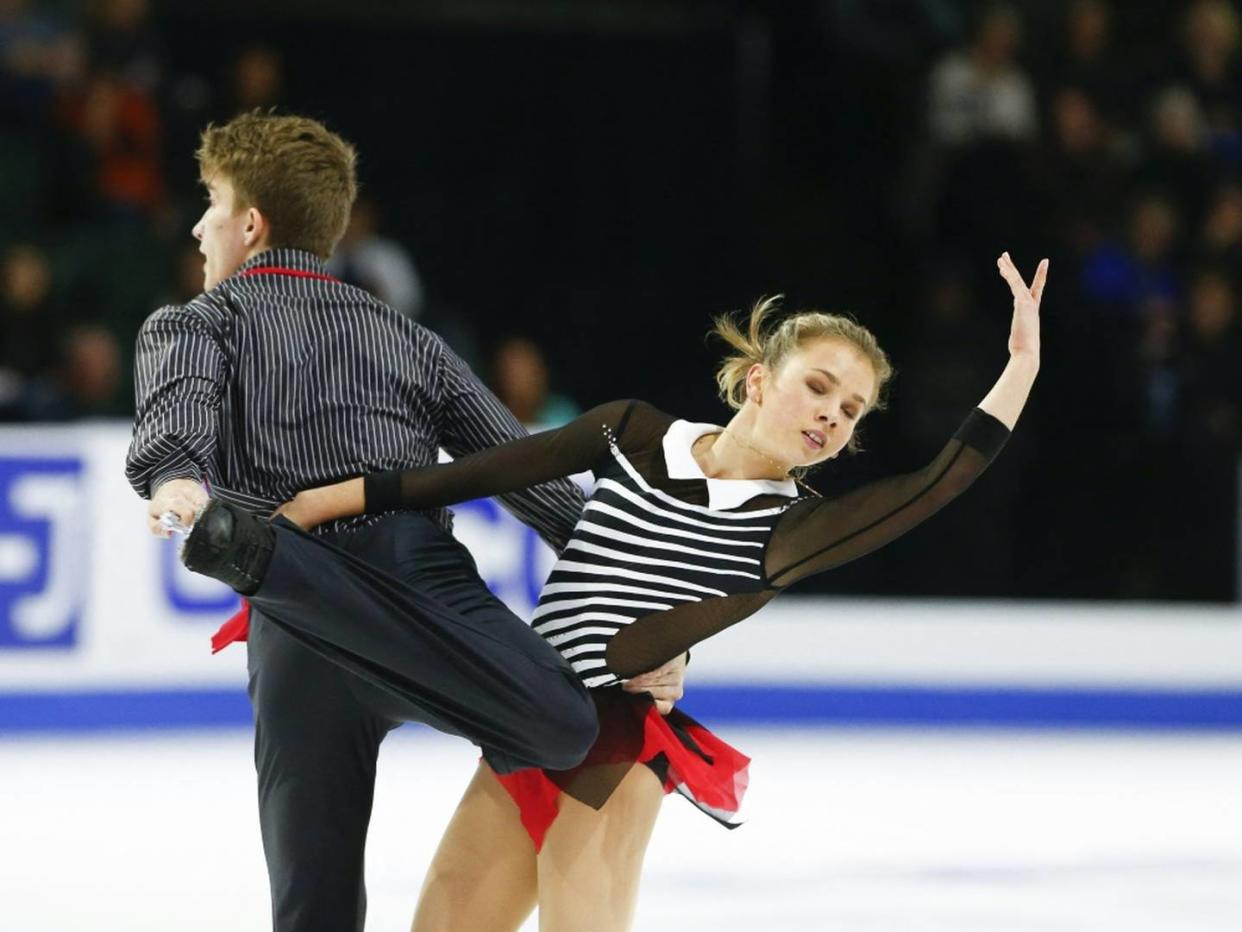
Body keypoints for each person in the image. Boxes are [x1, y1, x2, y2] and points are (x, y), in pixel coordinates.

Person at [188, 251, 1048, 931]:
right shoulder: (637, 433)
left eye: (853, 410)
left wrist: (1016, 372)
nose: (833, 414)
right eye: (819, 386)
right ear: (759, 381)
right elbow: (486, 470)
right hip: (525, 721)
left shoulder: (786, 532)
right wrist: (338, 499)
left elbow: (933, 487)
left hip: (615, 748)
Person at [124, 109, 685, 932]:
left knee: (313, 911)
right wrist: (651, 608)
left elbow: (177, 415)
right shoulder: (407, 337)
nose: (201, 225)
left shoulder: (196, 320)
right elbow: (531, 475)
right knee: (564, 725)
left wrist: (178, 478)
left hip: (300, 613)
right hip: (414, 599)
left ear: (250, 223)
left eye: (210, 202)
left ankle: (263, 555)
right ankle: (269, 558)